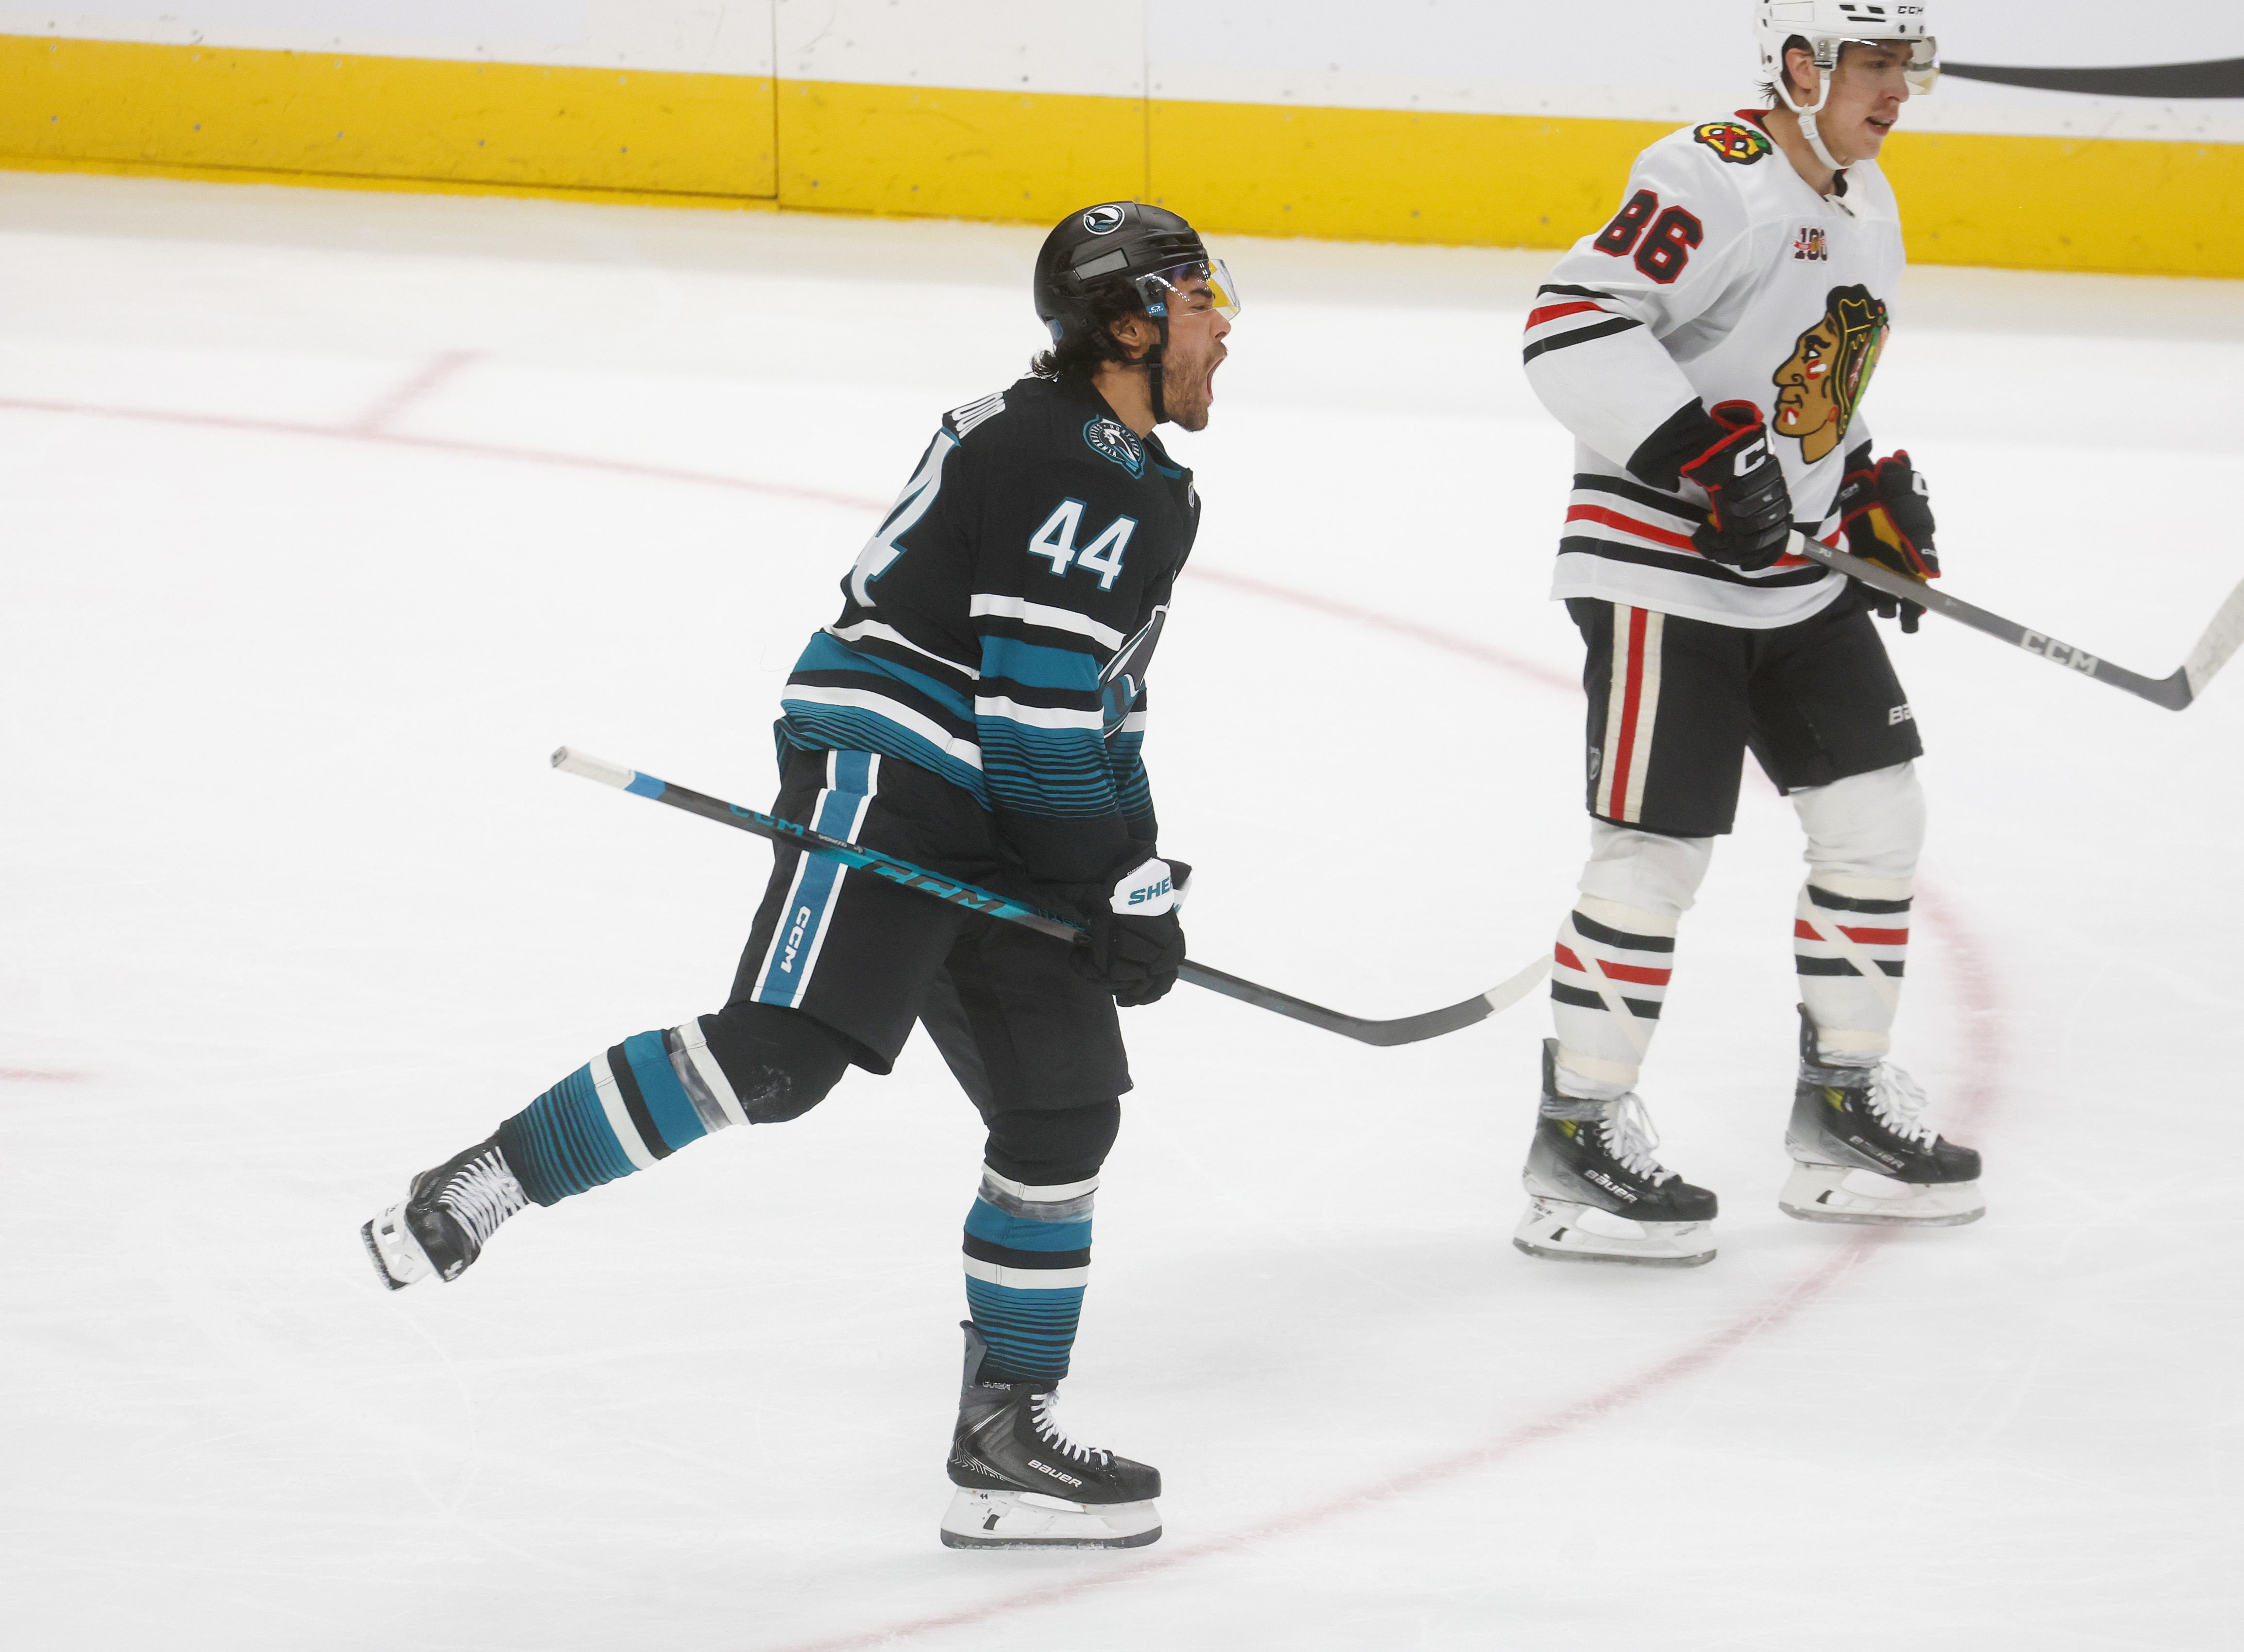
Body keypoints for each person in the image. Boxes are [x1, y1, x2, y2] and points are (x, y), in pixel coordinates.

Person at [361, 201, 1238, 1549]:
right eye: (1196, 294)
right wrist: (1110, 874)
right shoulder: (1071, 460)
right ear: (1130, 321)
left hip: (1002, 798)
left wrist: (1137, 881)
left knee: (1063, 1115)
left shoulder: (1134, 471)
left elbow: (1100, 713)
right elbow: (1039, 706)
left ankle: (1004, 1436)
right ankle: (487, 1178)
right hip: (895, 776)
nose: (1221, 318)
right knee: (781, 1056)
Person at [1510, 1, 1982, 1268]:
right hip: (1665, 571)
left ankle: (1840, 1111)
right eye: (1873, 63)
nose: (1896, 89)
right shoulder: (1710, 175)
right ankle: (1580, 1135)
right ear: (1797, 65)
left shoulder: (1865, 197)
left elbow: (1798, 385)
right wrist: (1699, 460)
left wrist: (1858, 484)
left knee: (1879, 816)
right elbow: (1568, 328)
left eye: (1906, 64)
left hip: (1791, 572)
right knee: (1655, 854)